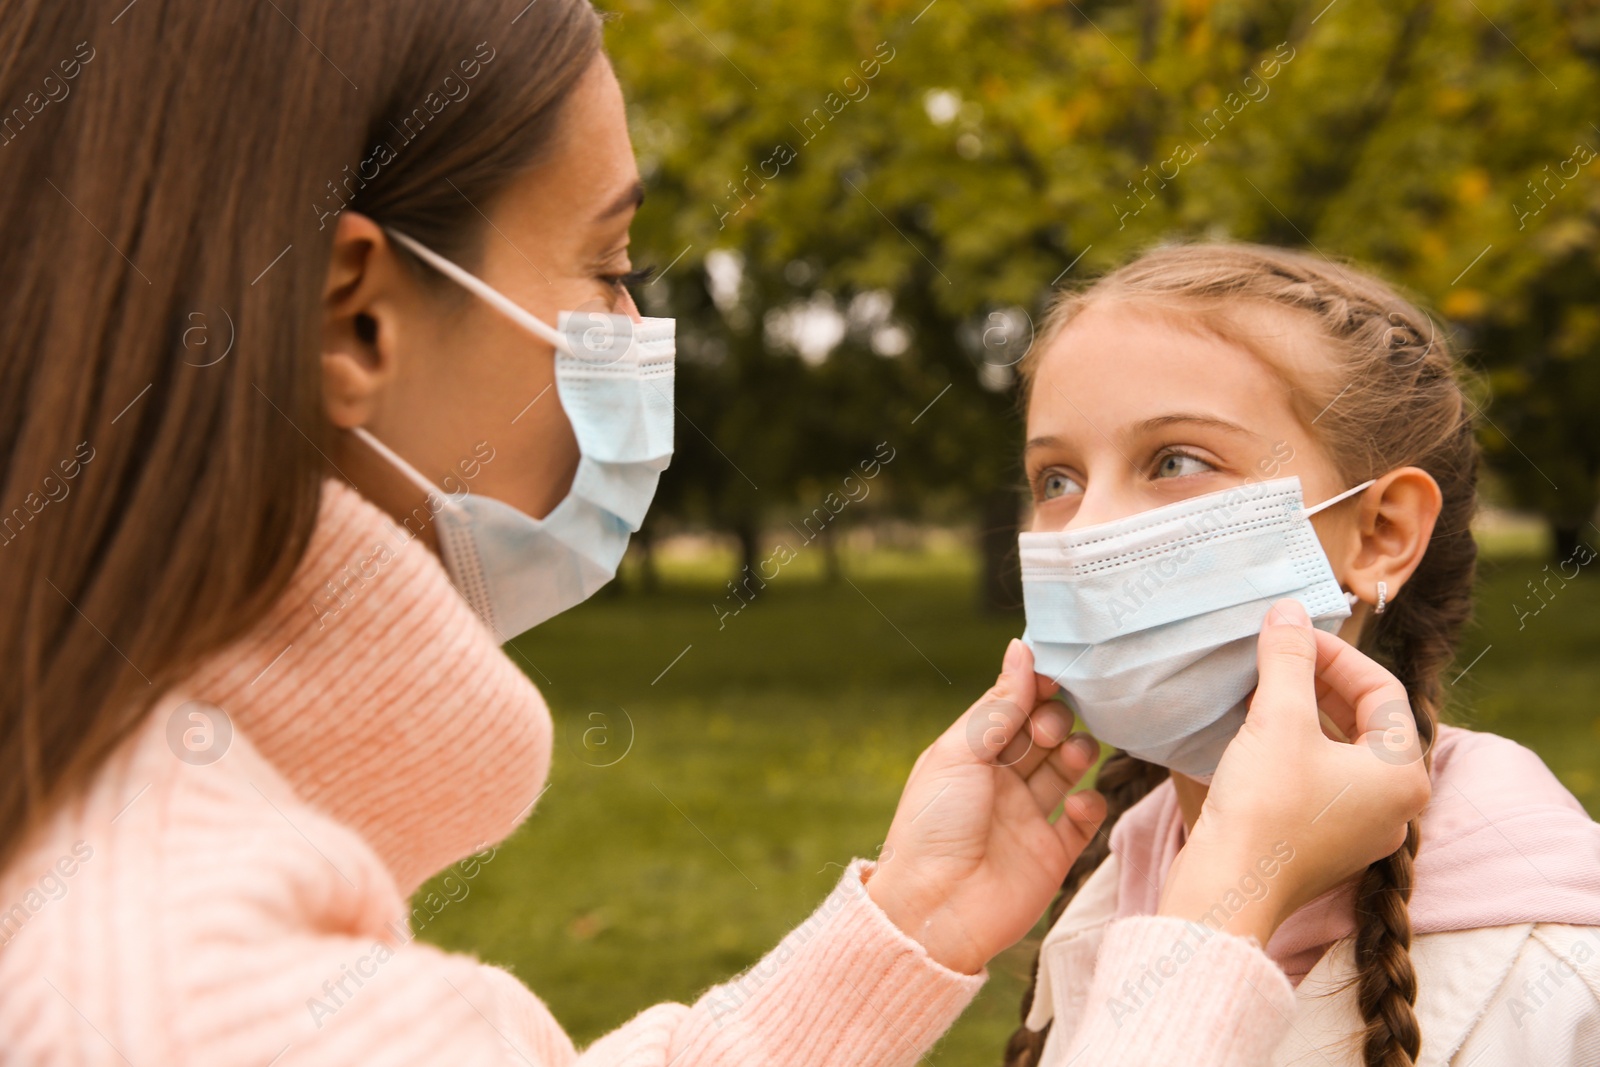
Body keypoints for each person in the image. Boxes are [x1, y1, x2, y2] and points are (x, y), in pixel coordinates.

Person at [0, 3, 1427, 1063]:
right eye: (608, 264)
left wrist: (907, 924)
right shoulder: (176, 990)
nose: (634, 335)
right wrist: (1226, 905)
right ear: (354, 316)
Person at [1003, 243, 1600, 1067]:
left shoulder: (1560, 981)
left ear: (1382, 532)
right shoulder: (1112, 887)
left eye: (1176, 461)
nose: (1088, 528)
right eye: (1057, 478)